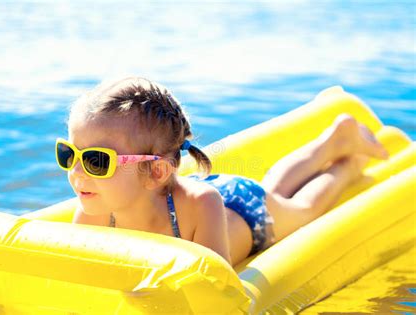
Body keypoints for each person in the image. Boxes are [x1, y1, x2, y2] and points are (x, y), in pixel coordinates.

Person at [56, 76, 389, 266]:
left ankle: (348, 165)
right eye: (69, 154)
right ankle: (333, 141)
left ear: (156, 172)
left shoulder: (202, 205)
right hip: (214, 193)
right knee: (274, 185)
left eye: (96, 161)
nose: (76, 173)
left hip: (249, 214)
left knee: (302, 209)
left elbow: (216, 283)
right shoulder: (94, 211)